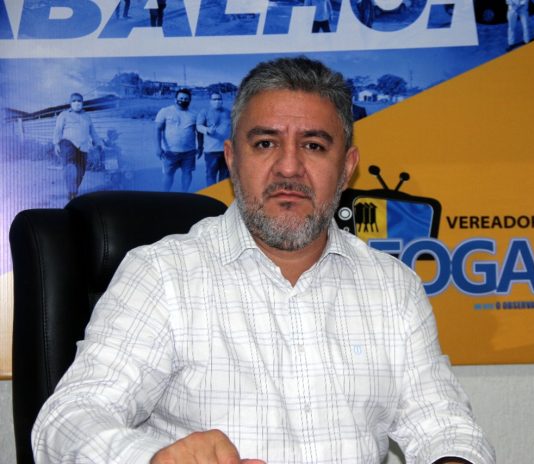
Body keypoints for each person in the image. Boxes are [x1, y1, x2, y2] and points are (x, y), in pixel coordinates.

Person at [32, 56, 495, 464]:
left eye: (314, 145)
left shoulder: (392, 286)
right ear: (232, 159)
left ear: (347, 167)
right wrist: (152, 459)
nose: (289, 168)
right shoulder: (162, 276)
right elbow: (68, 419)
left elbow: (445, 425)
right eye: (265, 144)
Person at [52, 92, 104, 201]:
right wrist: (56, 143)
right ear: (70, 103)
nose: (77, 103)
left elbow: (92, 131)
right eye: (74, 101)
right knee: (70, 167)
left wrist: (99, 143)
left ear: (82, 103)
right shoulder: (64, 115)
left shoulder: (87, 116)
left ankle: (73, 190)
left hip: (83, 146)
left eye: (79, 101)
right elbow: (58, 130)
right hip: (68, 143)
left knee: (81, 171)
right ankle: (72, 193)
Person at [155, 88, 199, 192]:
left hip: (189, 152)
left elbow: (199, 133)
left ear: (190, 100)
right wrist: (158, 147)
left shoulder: (194, 114)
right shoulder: (165, 111)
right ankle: (164, 195)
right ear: (175, 99)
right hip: (170, 151)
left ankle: (185, 194)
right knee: (168, 174)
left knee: (187, 173)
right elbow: (157, 129)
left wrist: (200, 146)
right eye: (181, 98)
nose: (183, 100)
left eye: (186, 99)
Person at [197, 91, 231, 186]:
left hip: (226, 150)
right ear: (210, 101)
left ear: (222, 100)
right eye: (214, 99)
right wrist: (207, 130)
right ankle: (211, 194)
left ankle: (221, 194)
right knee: (211, 175)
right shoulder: (204, 112)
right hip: (211, 151)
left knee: (225, 176)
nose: (217, 101)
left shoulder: (228, 112)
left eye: (219, 99)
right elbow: (198, 126)